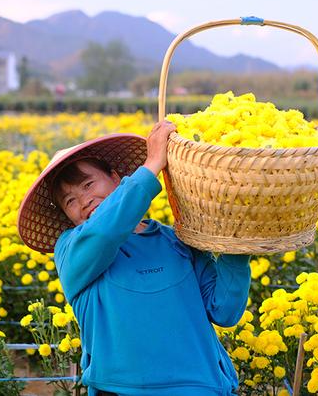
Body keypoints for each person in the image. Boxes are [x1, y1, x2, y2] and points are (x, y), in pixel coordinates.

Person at [17, 121, 251, 396]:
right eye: (69, 201)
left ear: (117, 178)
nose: (83, 201)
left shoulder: (177, 241)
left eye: (88, 184)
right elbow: (105, 233)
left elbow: (224, 310)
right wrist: (152, 165)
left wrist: (239, 244)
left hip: (201, 386)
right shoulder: (71, 250)